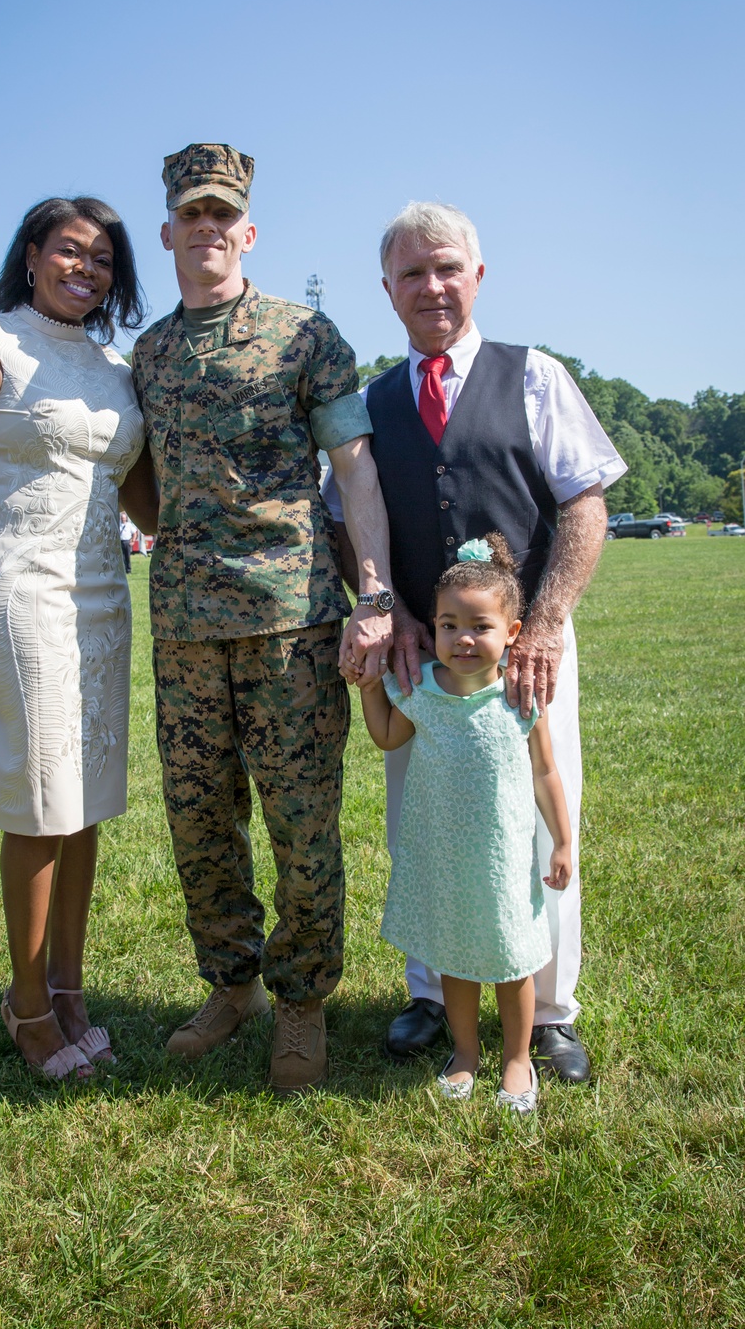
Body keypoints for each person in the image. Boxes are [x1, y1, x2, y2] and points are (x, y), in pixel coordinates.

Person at [326, 200, 625, 1083]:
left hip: (523, 658)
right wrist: (389, 610)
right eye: (412, 273)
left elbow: (585, 504)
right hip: (424, 662)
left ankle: (552, 1009)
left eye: (447, 267)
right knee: (424, 825)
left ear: (479, 276)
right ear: (387, 291)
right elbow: (344, 521)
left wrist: (551, 617)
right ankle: (429, 992)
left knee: (535, 826)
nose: (432, 286)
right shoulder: (370, 403)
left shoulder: (534, 376)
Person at [130, 143, 395, 1094]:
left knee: (300, 823)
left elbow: (355, 469)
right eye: (190, 215)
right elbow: (141, 477)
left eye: (221, 215)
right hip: (187, 626)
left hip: (292, 620)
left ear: (248, 230)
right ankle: (232, 984)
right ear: (168, 232)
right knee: (199, 821)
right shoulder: (151, 355)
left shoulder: (303, 336)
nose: (206, 229)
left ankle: (303, 1001)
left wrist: (374, 593)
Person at [0, 195, 158, 1083]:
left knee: (88, 799)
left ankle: (69, 992)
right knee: (42, 796)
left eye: (101, 259)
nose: (84, 269)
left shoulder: (113, 365)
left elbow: (142, 497)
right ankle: (25, 1006)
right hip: (18, 595)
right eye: (68, 251)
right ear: (30, 255)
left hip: (102, 594)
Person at [360, 534, 572, 1113]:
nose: (463, 639)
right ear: (434, 628)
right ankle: (464, 1054)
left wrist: (563, 841)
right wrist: (368, 684)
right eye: (449, 625)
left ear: (513, 634)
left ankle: (517, 1059)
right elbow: (384, 736)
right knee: (454, 958)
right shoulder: (424, 691)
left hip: (503, 859)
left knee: (510, 959)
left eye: (480, 626)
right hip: (442, 856)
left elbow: (547, 773)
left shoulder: (520, 699)